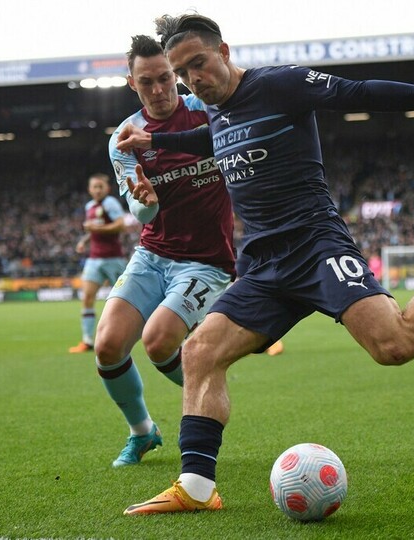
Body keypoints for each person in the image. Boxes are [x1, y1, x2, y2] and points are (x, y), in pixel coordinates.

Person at [116, 13, 414, 514]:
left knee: (394, 344)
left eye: (198, 64)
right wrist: (155, 141)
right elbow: (214, 139)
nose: (192, 80)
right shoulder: (215, 111)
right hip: (264, 264)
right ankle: (197, 487)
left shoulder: (280, 85)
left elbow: (361, 92)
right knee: (200, 352)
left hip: (316, 246)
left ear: (224, 51)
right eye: (183, 73)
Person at [94, 35, 236, 466]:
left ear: (175, 74)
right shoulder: (125, 136)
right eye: (146, 82)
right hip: (153, 255)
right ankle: (143, 432)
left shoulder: (207, 111)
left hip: (206, 261)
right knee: (107, 345)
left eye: (164, 78)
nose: (158, 89)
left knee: (157, 342)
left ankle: (206, 385)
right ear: (131, 83)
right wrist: (146, 202)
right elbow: (139, 210)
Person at [68, 173, 129, 353]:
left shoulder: (110, 203)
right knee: (87, 298)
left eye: (100, 186)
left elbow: (120, 225)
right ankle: (87, 340)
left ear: (107, 189)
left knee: (126, 299)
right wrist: (84, 240)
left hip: (113, 258)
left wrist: (96, 228)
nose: (97, 190)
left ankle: (134, 333)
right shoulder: (90, 206)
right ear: (89, 189)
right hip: (94, 258)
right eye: (94, 187)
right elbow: (94, 230)